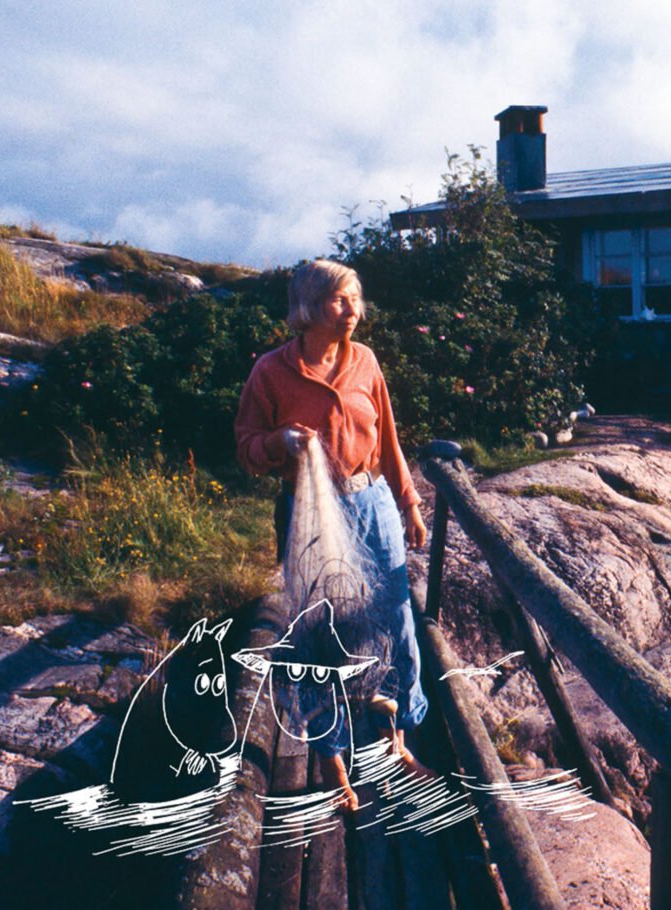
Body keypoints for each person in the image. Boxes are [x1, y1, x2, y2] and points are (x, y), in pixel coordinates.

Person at [234, 259, 431, 810]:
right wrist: (278, 444)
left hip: (372, 503)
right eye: (341, 301)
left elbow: (388, 439)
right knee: (319, 635)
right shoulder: (271, 373)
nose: (354, 311)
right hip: (308, 512)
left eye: (356, 300)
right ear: (309, 307)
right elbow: (245, 448)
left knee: (395, 618)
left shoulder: (365, 362)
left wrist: (409, 503)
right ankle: (332, 756)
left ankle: (399, 735)